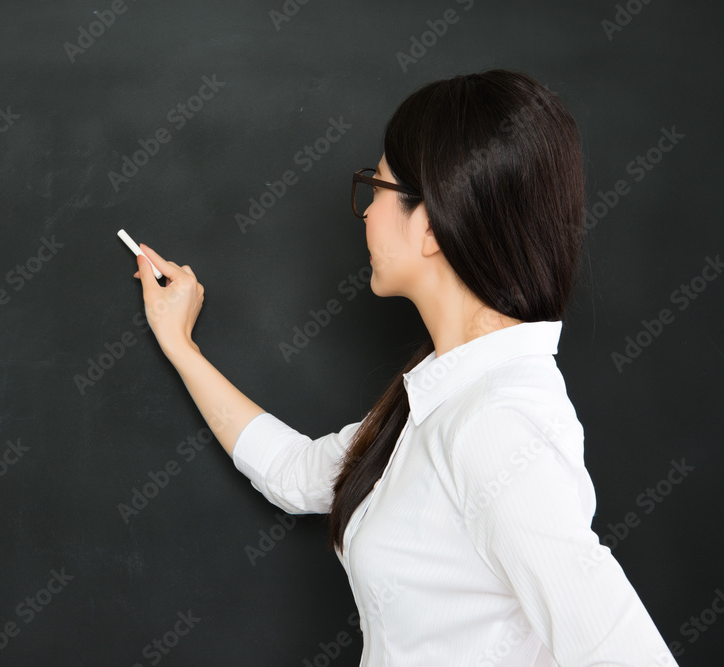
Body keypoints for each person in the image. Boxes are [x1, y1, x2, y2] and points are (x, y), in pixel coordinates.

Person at [131, 69, 678, 666]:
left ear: (434, 225)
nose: (364, 212)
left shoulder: (499, 423)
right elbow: (295, 474)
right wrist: (179, 343)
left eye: (377, 186)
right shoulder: (442, 396)